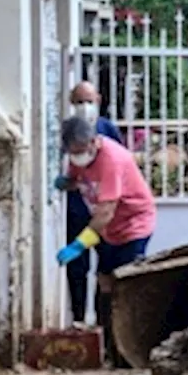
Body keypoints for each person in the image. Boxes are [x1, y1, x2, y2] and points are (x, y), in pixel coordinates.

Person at [56, 116, 156, 363]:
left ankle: (126, 355)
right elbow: (78, 180)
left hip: (132, 226)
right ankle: (107, 349)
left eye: (80, 152)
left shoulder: (112, 159)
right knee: (105, 286)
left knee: (123, 287)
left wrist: (79, 244)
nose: (76, 157)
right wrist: (66, 183)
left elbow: (105, 212)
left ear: (93, 143)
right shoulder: (79, 158)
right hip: (108, 230)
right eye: (72, 153)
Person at [59, 82, 122, 325]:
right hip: (77, 210)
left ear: (98, 99)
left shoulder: (107, 130)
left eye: (89, 101)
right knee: (77, 268)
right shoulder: (67, 130)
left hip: (103, 213)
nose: (84, 107)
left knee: (106, 271)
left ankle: (102, 324)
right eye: (78, 101)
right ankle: (78, 319)